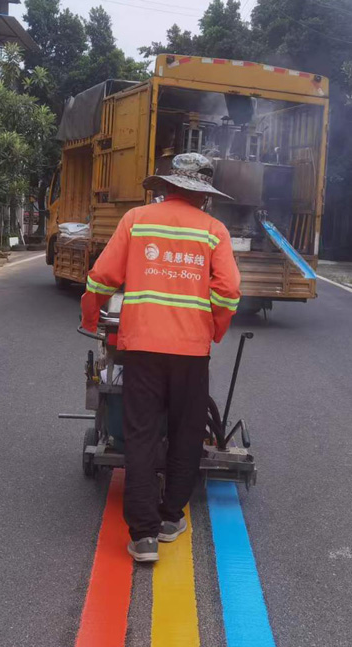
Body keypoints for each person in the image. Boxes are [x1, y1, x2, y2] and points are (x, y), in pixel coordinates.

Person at [80, 153, 241, 563]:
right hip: (191, 351)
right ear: (203, 195)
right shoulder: (213, 231)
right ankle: (170, 519)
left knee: (140, 434)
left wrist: (89, 311)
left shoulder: (136, 220)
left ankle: (144, 536)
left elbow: (103, 276)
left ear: (167, 186)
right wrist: (215, 329)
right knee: (187, 432)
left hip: (142, 348)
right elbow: (227, 291)